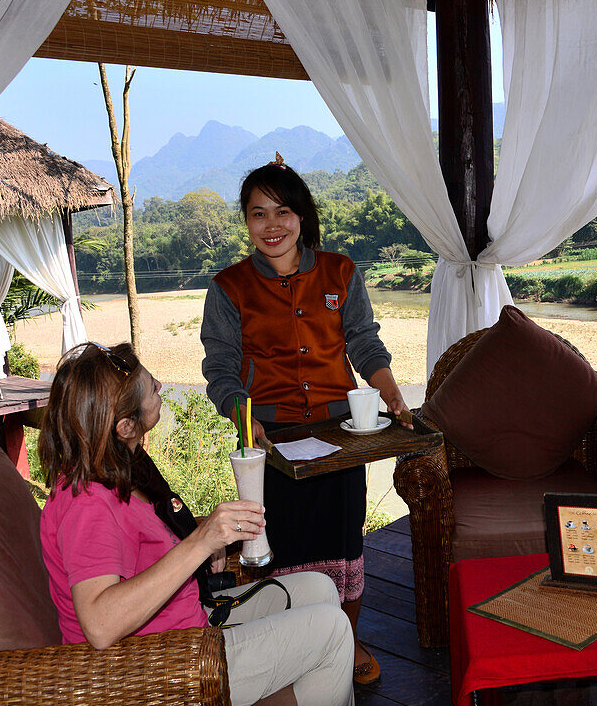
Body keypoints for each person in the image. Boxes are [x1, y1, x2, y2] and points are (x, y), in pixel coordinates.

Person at [38, 342, 354, 706]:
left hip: (184, 622)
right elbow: (100, 623)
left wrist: (202, 542)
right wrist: (199, 541)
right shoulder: (87, 503)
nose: (159, 385)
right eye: (150, 386)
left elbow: (144, 549)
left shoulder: (121, 466)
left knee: (319, 590)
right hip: (157, 665)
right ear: (125, 425)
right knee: (332, 632)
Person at [200, 153, 410, 685]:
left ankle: (349, 638)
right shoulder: (228, 288)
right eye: (257, 214)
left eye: (282, 212)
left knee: (343, 544)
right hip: (270, 439)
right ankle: (291, 651)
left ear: (301, 216)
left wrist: (392, 394)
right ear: (246, 223)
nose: (272, 226)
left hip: (340, 433)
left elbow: (364, 342)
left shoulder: (340, 271)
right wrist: (246, 419)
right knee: (281, 549)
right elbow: (220, 369)